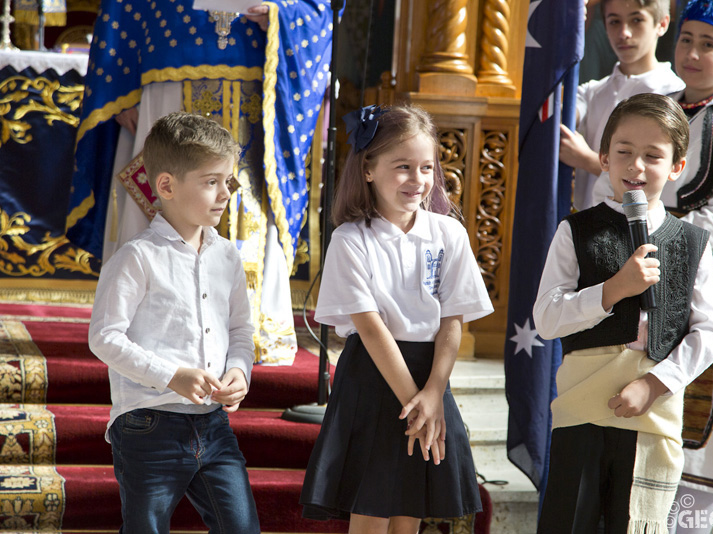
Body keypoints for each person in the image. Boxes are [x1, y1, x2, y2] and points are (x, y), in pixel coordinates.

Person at [67, 0, 336, 365]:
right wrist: (122, 79)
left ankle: (251, 333)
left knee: (246, 193)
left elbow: (318, 7)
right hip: (167, 54)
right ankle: (148, 334)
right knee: (161, 186)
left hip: (259, 70)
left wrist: (282, 13)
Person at [592, 3, 713, 527]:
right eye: (687, 40)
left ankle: (685, 519)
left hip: (708, 269)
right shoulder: (657, 107)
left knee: (701, 395)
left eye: (710, 44)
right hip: (638, 261)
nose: (693, 54)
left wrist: (662, 239)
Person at [533, 93, 713, 533]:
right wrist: (614, 290)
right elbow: (547, 318)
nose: (635, 167)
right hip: (583, 404)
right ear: (603, 157)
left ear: (677, 166)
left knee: (635, 522)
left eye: (652, 156)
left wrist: (655, 383)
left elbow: (709, 332)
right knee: (569, 520)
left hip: (651, 408)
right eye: (623, 152)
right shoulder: (575, 230)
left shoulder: (693, 241)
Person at [299, 104, 493, 533]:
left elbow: (452, 321)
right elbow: (369, 327)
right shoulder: (351, 239)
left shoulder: (448, 234)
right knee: (370, 509)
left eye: (426, 167)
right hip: (373, 376)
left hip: (430, 378)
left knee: (409, 509)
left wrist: (434, 394)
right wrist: (415, 403)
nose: (418, 180)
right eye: (402, 166)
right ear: (368, 168)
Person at [87, 112, 259, 533]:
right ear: (166, 186)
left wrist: (239, 370)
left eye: (228, 180)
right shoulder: (137, 257)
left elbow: (241, 331)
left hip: (214, 424)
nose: (225, 193)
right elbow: (105, 337)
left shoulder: (227, 256)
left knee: (241, 527)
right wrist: (172, 375)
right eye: (211, 181)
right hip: (148, 425)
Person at [560, 0, 685, 211]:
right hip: (585, 220)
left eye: (637, 20)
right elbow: (557, 120)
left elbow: (669, 178)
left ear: (662, 24)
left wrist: (589, 160)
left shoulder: (674, 95)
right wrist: (565, 29)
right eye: (614, 21)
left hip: (638, 225)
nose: (624, 33)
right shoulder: (592, 91)